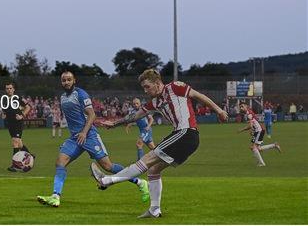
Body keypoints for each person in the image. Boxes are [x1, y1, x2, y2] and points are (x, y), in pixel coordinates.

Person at [90, 69, 228, 218]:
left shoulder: (175, 87)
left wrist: (219, 110)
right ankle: (154, 210)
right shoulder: (155, 102)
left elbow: (199, 96)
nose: (145, 90)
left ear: (157, 83)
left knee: (147, 160)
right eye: (143, 87)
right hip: (183, 137)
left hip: (186, 133)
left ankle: (106, 180)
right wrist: (115, 123)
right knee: (154, 169)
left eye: (147, 86)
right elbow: (135, 116)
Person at [37, 71, 149, 208]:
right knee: (60, 163)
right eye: (63, 80)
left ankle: (140, 182)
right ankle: (55, 197)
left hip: (89, 135)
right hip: (75, 138)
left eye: (69, 79)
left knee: (108, 166)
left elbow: (92, 115)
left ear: (74, 80)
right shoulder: (62, 97)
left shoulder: (81, 94)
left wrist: (84, 132)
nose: (66, 82)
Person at [2, 82, 34, 172]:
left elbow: (28, 107)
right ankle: (30, 156)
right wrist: (3, 114)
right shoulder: (4, 99)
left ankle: (14, 165)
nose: (9, 90)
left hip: (18, 122)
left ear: (14, 89)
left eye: (10, 88)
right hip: (10, 123)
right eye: (7, 88)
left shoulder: (18, 98)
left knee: (15, 142)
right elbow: (4, 110)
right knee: (19, 143)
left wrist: (22, 115)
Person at [238, 102, 281, 166]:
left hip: (259, 130)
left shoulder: (249, 113)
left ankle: (262, 163)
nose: (241, 108)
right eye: (240, 107)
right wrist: (252, 130)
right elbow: (253, 123)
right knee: (257, 148)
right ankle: (274, 145)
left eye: (242, 106)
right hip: (257, 131)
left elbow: (250, 125)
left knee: (253, 148)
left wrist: (242, 130)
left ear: (246, 106)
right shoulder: (249, 112)